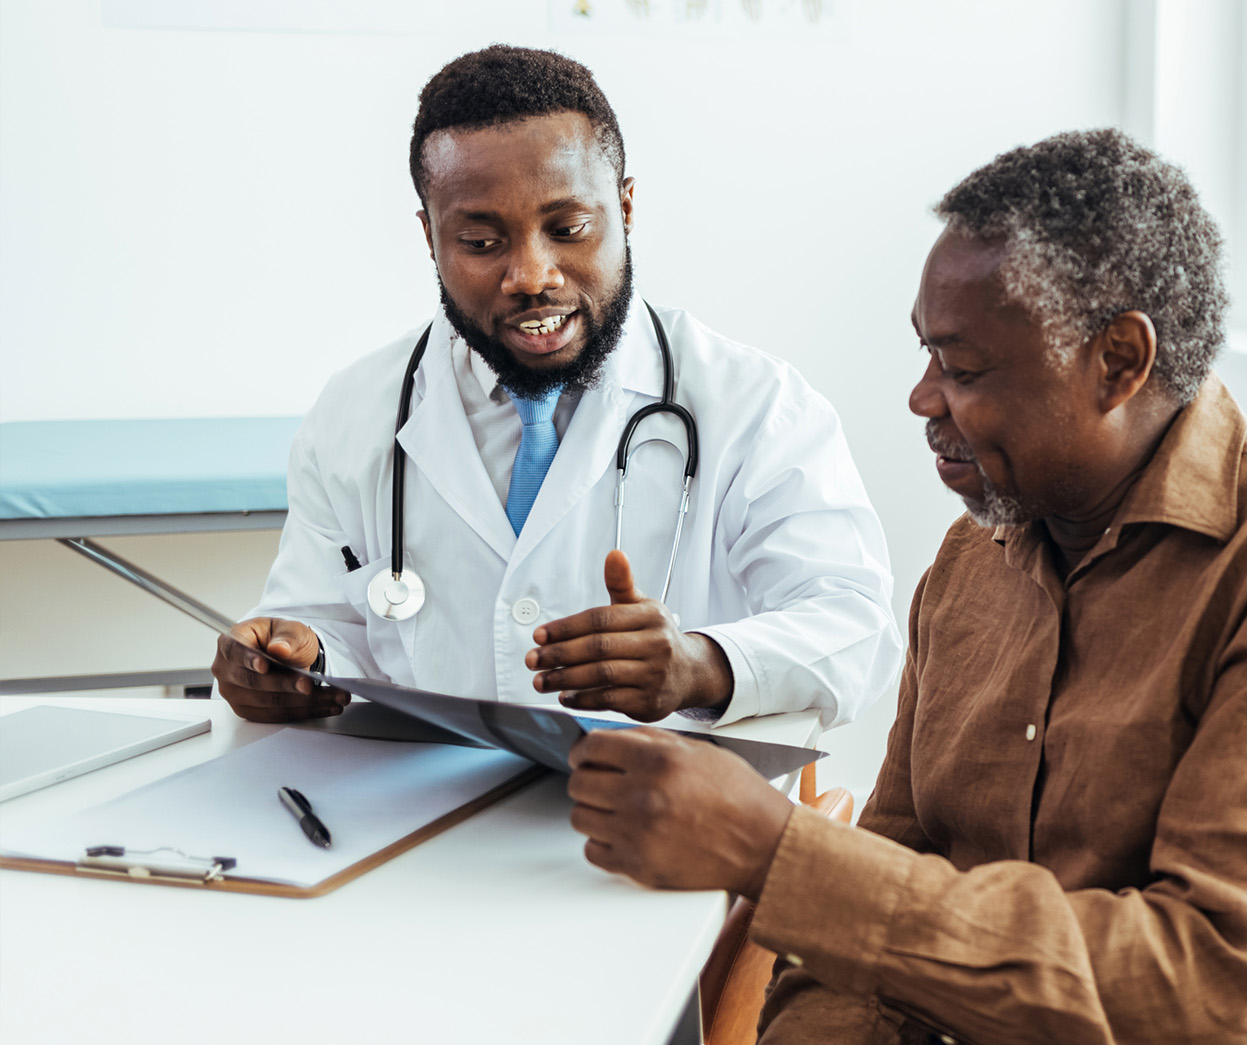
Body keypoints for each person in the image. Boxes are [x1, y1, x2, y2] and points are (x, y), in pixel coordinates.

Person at [565, 130, 1247, 1045]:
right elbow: (872, 931)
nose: (921, 398)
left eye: (964, 369)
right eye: (927, 354)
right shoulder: (974, 562)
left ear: (1119, 361)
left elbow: (1204, 1003)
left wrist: (776, 855)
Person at [212, 46, 900, 731]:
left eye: (568, 229)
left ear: (626, 207)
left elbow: (856, 628)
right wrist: (290, 661)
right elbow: (326, 624)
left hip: (671, 820)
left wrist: (701, 665)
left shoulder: (758, 405)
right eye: (482, 243)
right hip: (433, 814)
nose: (532, 275)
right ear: (430, 237)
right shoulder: (355, 413)